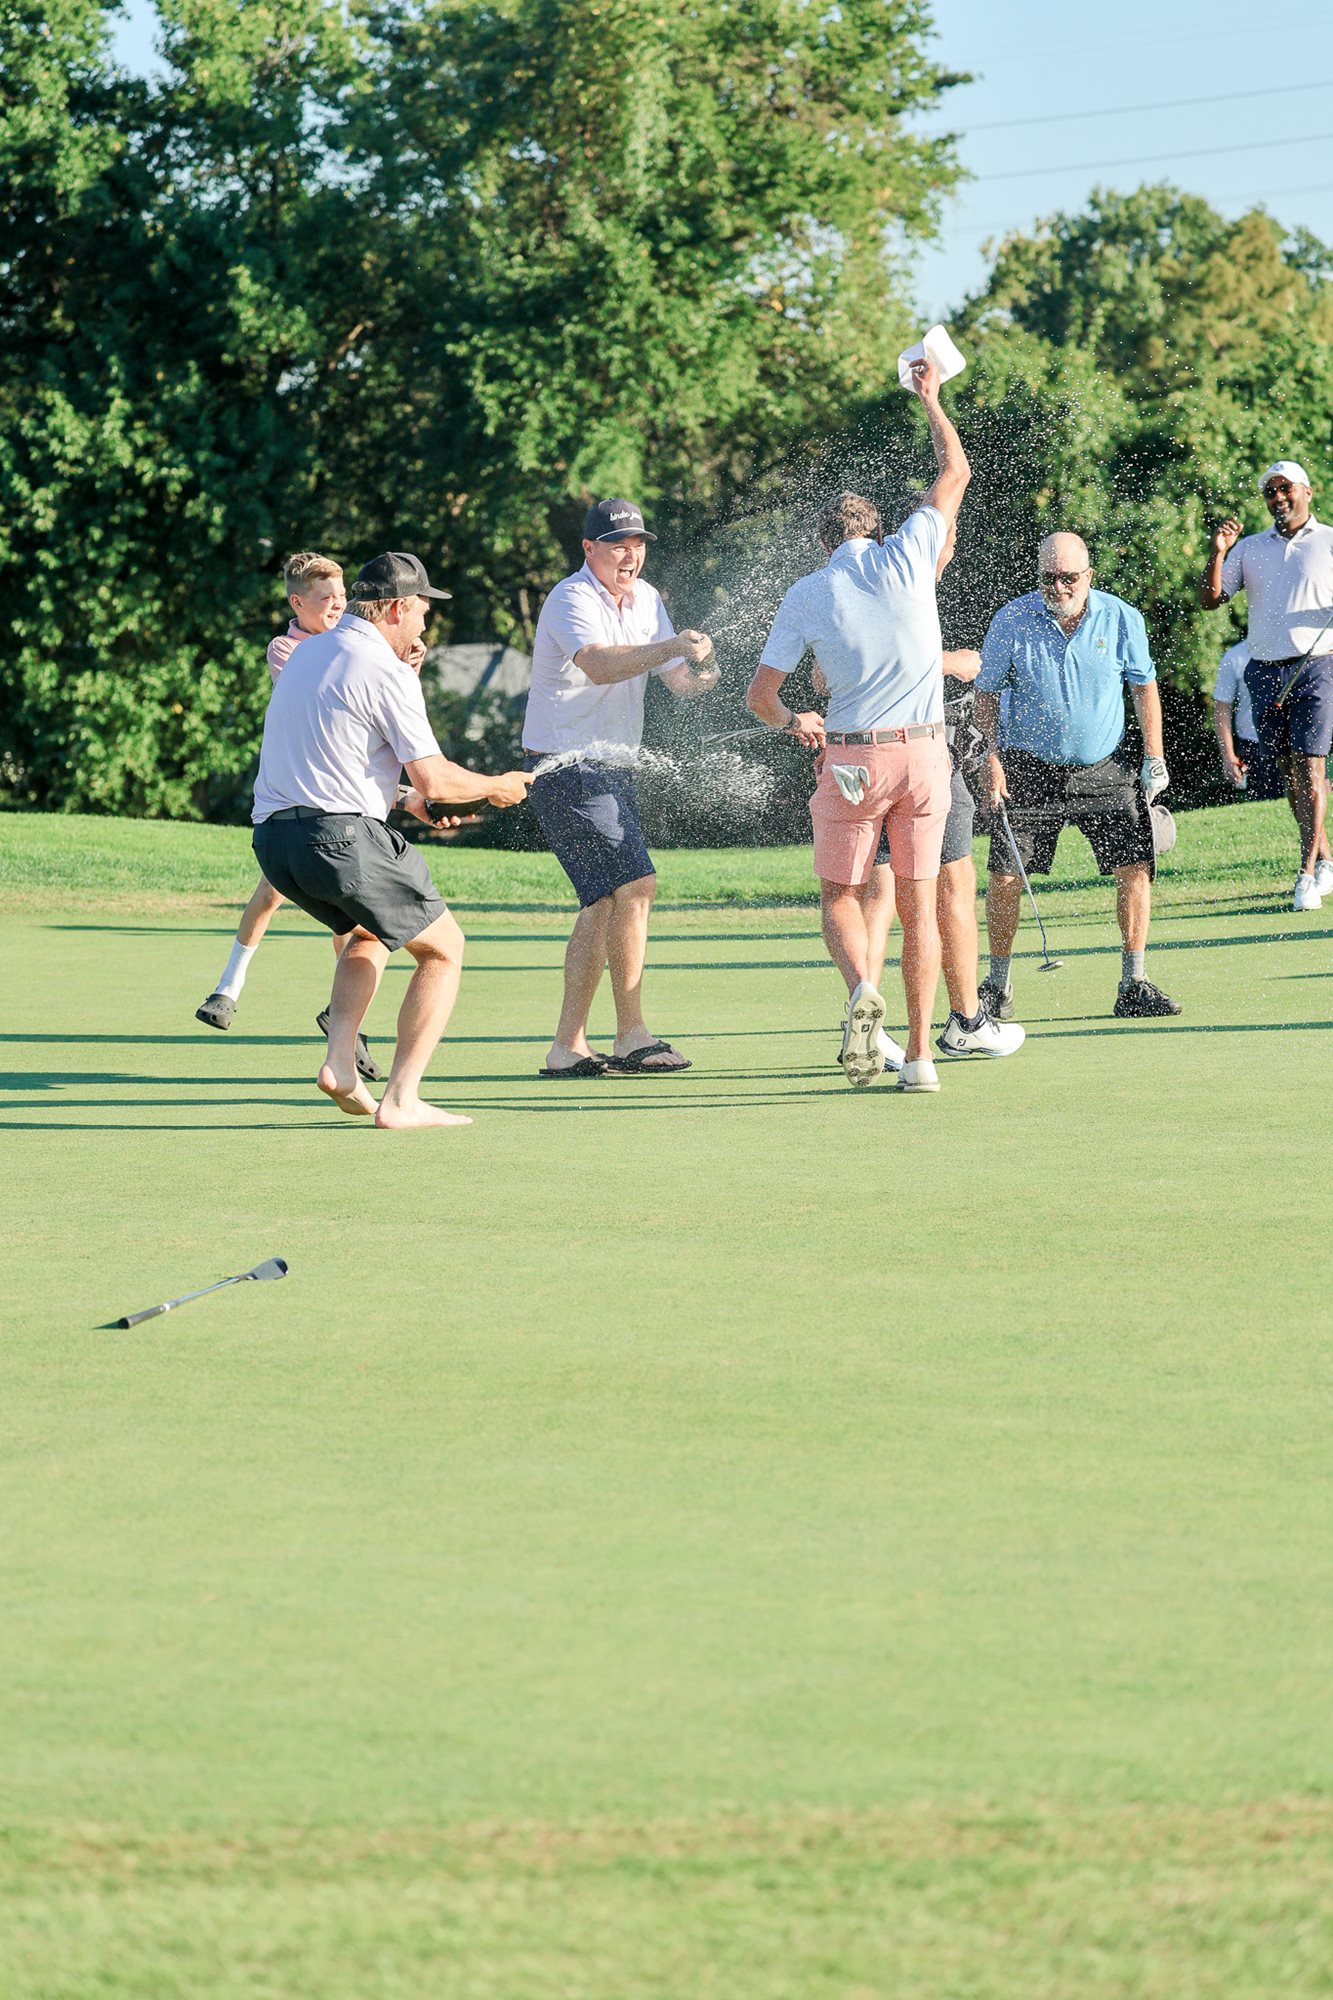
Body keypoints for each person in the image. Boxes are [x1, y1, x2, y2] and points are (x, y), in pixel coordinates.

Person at [745, 355, 970, 1093]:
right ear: (879, 531)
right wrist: (930, 398)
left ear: (824, 544)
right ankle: (922, 1060)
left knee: (840, 895)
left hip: (852, 760)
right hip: (925, 756)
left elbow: (760, 697)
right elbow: (955, 470)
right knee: (918, 905)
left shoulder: (808, 591)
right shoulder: (912, 549)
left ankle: (860, 990)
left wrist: (794, 721)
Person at [251, 551, 531, 1129]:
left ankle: (340, 1063)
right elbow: (438, 779)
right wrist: (497, 786)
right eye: (424, 609)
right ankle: (402, 1099)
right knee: (444, 948)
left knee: (368, 931)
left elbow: (339, 755)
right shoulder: (384, 668)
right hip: (339, 839)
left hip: (275, 844)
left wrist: (406, 800)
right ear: (398, 608)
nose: (427, 623)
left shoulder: (309, 652)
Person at [522, 498, 719, 1078]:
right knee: (636, 885)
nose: (630, 556)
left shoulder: (648, 598)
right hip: (566, 766)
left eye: (637, 545)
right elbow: (601, 665)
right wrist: (673, 646)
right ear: (589, 549)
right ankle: (632, 1036)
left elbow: (677, 682)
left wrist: (701, 670)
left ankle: (567, 1046)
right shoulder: (571, 598)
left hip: (611, 767)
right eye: (617, 546)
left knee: (604, 900)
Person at [820, 525, 1026, 1067]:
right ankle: (961, 1022)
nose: (950, 545)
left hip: (872, 761)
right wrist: (943, 661)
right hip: (915, 757)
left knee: (885, 891)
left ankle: (874, 1019)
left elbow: (824, 675)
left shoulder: (845, 588)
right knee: (927, 886)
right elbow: (828, 676)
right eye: (946, 536)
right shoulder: (893, 582)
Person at [975, 531, 1181, 1021]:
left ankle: (1134, 983)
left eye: (1069, 577)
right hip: (1028, 769)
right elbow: (986, 693)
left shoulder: (1121, 617)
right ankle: (997, 986)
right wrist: (989, 757)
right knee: (1005, 876)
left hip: (1104, 767)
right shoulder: (1011, 619)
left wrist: (1154, 756)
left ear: (1089, 575)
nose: (1059, 587)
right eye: (1049, 577)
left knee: (1135, 866)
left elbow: (1144, 687)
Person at [196, 551, 381, 1081]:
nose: (337, 606)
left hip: (343, 798)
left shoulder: (355, 645)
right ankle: (228, 988)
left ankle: (342, 1020)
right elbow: (322, 692)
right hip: (299, 795)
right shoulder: (287, 649)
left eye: (342, 597)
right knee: (272, 893)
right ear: (298, 603)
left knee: (349, 914)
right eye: (325, 599)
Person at [1200, 459, 1333, 909]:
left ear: (1307, 491)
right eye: (1270, 491)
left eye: (1285, 488)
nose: (1278, 497)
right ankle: (1326, 859)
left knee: (1312, 769)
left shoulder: (1329, 541)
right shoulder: (1249, 548)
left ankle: (1305, 875)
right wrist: (1218, 552)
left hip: (1317, 665)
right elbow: (1210, 600)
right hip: (1264, 670)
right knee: (1290, 775)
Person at [1212, 637, 1285, 802]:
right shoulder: (1234, 656)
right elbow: (1222, 709)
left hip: (1292, 742)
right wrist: (1228, 756)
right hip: (1253, 748)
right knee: (1264, 807)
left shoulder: (1292, 650)